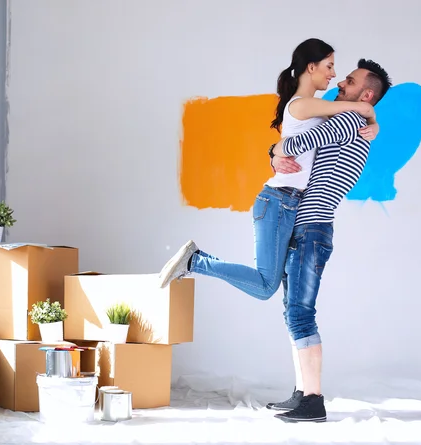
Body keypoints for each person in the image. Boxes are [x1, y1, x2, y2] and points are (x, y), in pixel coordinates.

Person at [157, 38, 378, 301]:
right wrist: (371, 117)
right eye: (329, 66)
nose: (334, 75)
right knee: (265, 286)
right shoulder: (303, 104)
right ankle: (195, 262)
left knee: (270, 286)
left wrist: (373, 123)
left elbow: (344, 119)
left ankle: (197, 260)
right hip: (279, 200)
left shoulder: (316, 107)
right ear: (311, 67)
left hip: (287, 201)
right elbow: (356, 109)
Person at [265, 59, 393, 423]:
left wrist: (275, 151)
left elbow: (306, 140)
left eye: (349, 81)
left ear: (366, 94)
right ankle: (302, 391)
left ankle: (314, 401)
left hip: (311, 229)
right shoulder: (358, 118)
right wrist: (370, 116)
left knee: (301, 315)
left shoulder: (349, 119)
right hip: (309, 228)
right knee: (294, 314)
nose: (340, 83)